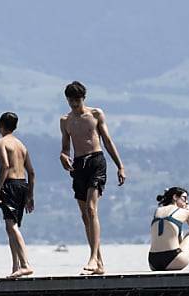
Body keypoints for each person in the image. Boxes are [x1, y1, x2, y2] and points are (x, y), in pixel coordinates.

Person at [59, 81, 126, 275]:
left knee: (91, 208)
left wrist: (120, 166)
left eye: (77, 100)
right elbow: (65, 147)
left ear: (83, 98)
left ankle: (93, 257)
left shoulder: (95, 114)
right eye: (71, 101)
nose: (74, 104)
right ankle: (100, 264)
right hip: (79, 165)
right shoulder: (65, 121)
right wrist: (63, 156)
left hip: (96, 160)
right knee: (84, 216)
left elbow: (107, 140)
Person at [0, 112, 35, 278]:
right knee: (12, 227)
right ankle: (15, 266)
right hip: (22, 184)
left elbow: (5, 166)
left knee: (11, 226)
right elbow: (31, 172)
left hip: (9, 185)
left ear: (0, 125)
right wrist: (30, 196)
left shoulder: (0, 142)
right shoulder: (22, 145)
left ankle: (25, 264)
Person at [147, 187, 189, 271]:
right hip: (173, 259)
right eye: (184, 198)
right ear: (175, 197)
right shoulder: (185, 212)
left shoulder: (157, 211)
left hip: (153, 262)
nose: (186, 202)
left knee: (175, 230)